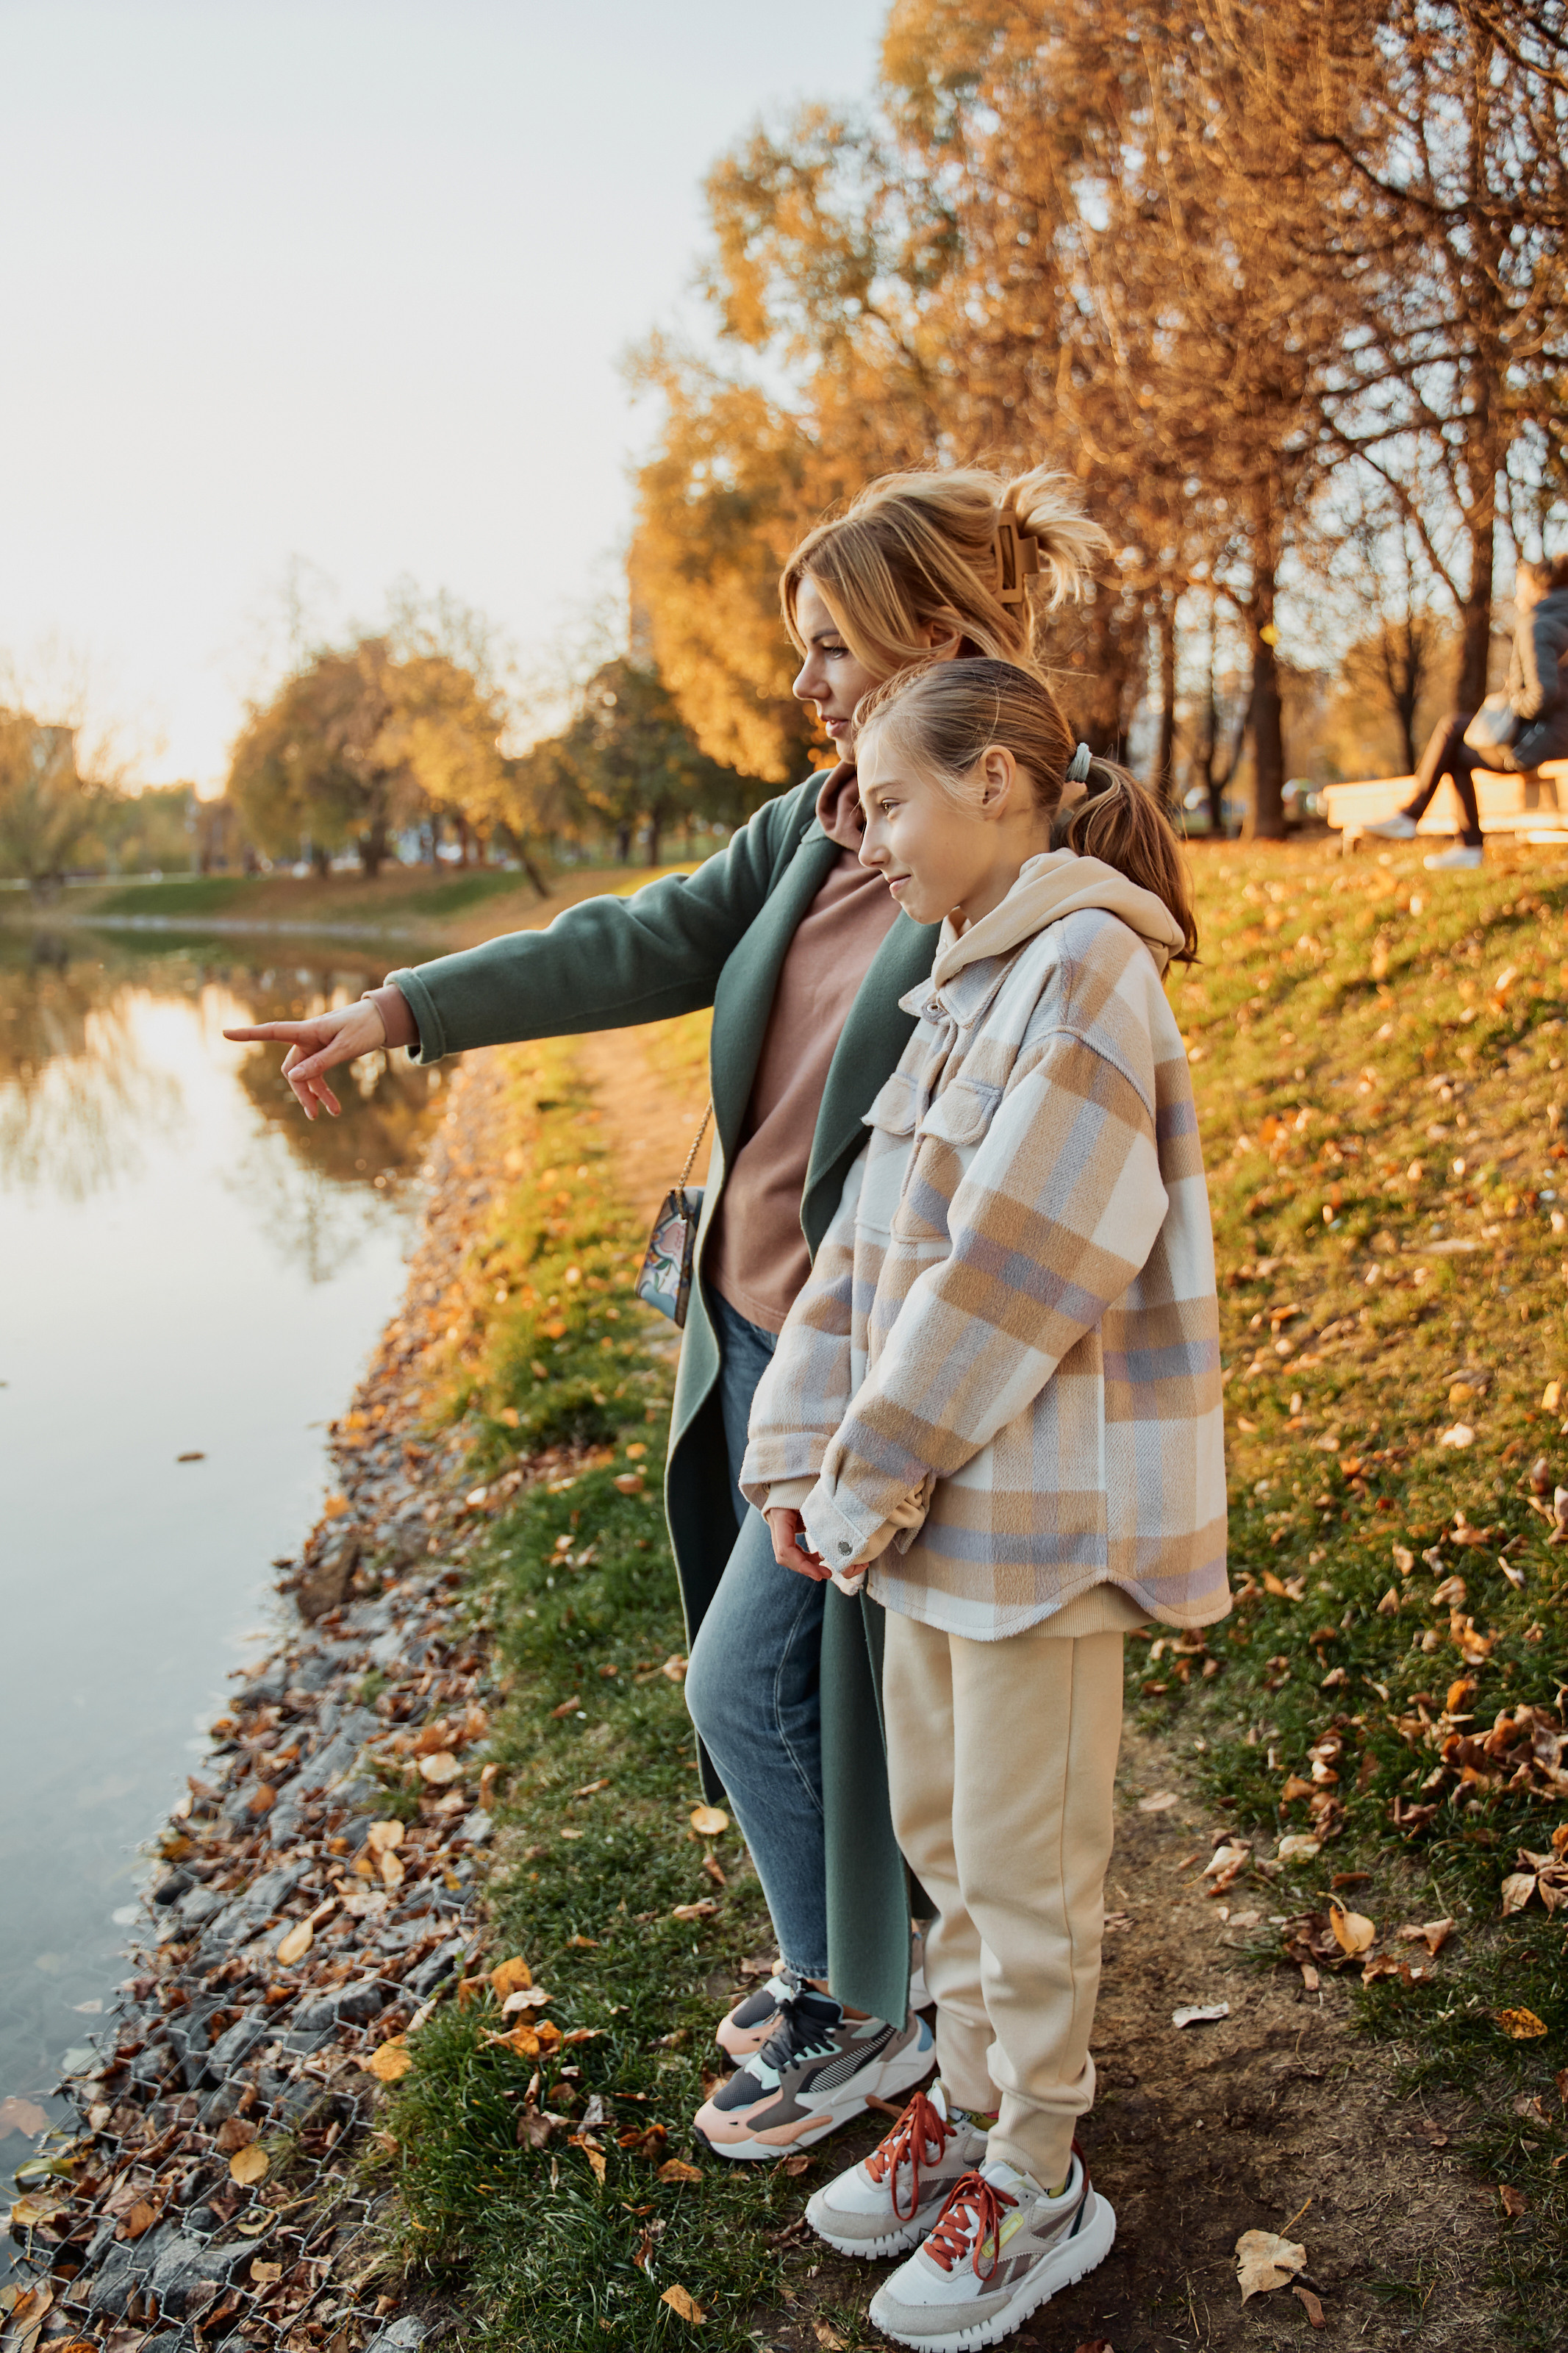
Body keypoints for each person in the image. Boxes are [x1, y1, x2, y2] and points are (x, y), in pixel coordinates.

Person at [223, 465, 1113, 2159]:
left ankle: (866, 2016)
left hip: (878, 1375)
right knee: (816, 1693)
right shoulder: (816, 822)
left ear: (932, 636)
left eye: (828, 650)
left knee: (752, 1692)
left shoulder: (1020, 843)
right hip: (750, 1342)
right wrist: (403, 1005)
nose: (803, 688)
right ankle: (867, 1972)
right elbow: (635, 939)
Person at [740, 658, 1229, 2345]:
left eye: (889, 800)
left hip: (1032, 1524)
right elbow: (860, 1253)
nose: (864, 835)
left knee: (1020, 1873)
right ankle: (958, 2109)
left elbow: (1016, 1272)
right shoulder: (955, 982)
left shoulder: (1084, 973)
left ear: (1002, 777)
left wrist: (870, 1467)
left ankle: (1035, 2185)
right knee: (943, 1844)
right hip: (927, 1524)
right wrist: (802, 1453)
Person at [1367, 555, 1568, 868]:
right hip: (1559, 736)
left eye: (1520, 589)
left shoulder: (1538, 623)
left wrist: (1512, 705)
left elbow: (1543, 696)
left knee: (1453, 737)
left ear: (1537, 590)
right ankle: (1422, 824)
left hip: (1546, 741)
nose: (1516, 597)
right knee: (1455, 735)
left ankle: (1432, 826)